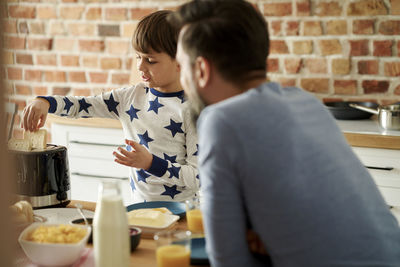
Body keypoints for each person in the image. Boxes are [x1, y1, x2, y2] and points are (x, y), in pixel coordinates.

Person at [170, 0, 400, 266]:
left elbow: (228, 259)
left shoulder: (221, 121)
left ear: (200, 70)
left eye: (181, 66)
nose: (182, 79)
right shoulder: (306, 102)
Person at [21, 10, 199, 203]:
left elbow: (198, 178)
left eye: (150, 60)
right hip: (140, 210)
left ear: (181, 62)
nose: (139, 66)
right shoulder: (129, 97)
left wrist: (150, 163)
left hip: (183, 216)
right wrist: (46, 102)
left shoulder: (195, 110)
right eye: (138, 57)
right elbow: (83, 105)